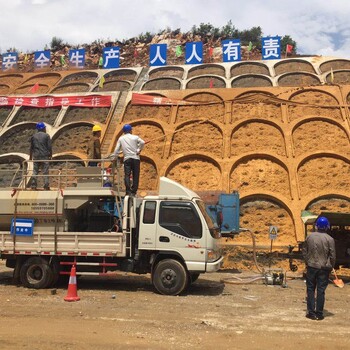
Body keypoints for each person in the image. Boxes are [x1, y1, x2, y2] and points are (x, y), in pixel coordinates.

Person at [302, 216, 336, 321]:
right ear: (327, 227)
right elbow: (333, 255)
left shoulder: (309, 237)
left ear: (316, 226)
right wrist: (331, 266)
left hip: (311, 266)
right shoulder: (330, 239)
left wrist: (307, 262)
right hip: (324, 268)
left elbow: (304, 251)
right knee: (321, 290)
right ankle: (320, 313)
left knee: (311, 289)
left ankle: (311, 313)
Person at [109, 124, 145, 196]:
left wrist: (114, 157)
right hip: (136, 158)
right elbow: (142, 142)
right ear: (130, 130)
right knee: (135, 175)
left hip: (127, 159)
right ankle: (134, 191)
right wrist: (138, 149)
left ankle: (128, 191)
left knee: (127, 175)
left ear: (124, 131)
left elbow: (116, 149)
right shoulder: (135, 137)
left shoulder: (121, 139)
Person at [30, 122, 52, 190]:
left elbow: (31, 147)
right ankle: (46, 186)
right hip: (44, 156)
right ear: (42, 128)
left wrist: (30, 156)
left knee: (35, 171)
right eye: (44, 128)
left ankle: (33, 186)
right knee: (45, 171)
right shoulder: (46, 136)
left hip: (36, 156)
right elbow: (49, 147)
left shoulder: (33, 136)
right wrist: (51, 155)